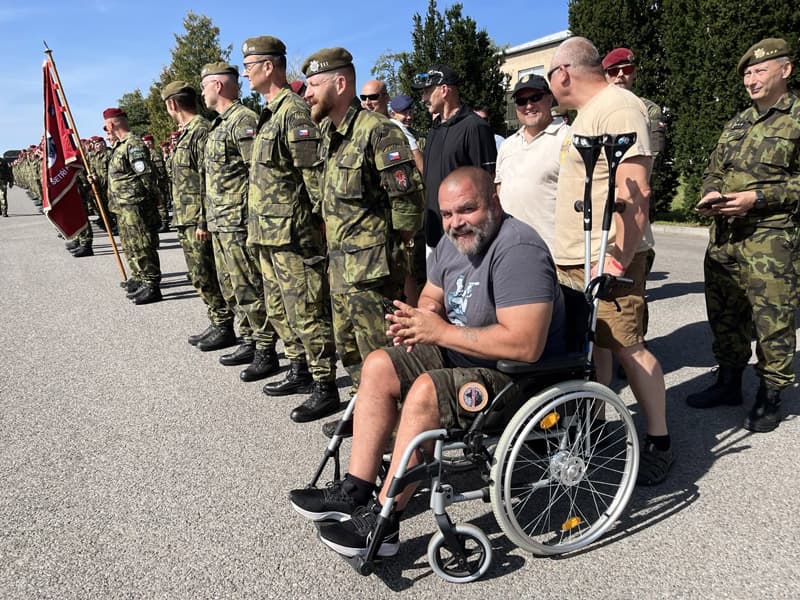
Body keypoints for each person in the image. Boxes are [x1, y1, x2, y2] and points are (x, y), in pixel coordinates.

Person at [290, 166, 566, 557]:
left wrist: (438, 332)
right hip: (464, 354)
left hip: (516, 376)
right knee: (379, 365)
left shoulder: (518, 251)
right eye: (448, 214)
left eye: (466, 210)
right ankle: (355, 489)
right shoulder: (453, 244)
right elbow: (430, 298)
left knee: (425, 392)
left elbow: (525, 345)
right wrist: (421, 319)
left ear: (494, 201)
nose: (456, 223)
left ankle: (382, 525)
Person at [548, 37, 672, 485]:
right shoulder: (587, 114)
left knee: (626, 343)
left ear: (563, 72)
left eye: (549, 75)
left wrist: (616, 262)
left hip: (609, 256)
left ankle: (658, 440)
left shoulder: (618, 107)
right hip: (577, 255)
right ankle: (598, 421)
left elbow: (635, 193)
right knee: (596, 343)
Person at [686, 38, 799, 433]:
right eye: (746, 73)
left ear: (785, 70)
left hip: (771, 238)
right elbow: (714, 169)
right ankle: (729, 381)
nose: (750, 79)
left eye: (758, 70)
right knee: (724, 312)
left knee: (773, 319)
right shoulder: (737, 122)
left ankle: (771, 393)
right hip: (725, 236)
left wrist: (758, 197)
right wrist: (711, 193)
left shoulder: (798, 118)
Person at [301, 47, 423, 397]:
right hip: (340, 271)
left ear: (340, 84)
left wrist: (398, 260)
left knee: (384, 356)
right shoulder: (329, 136)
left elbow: (408, 203)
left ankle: (402, 438)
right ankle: (369, 419)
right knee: (351, 353)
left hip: (374, 276)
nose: (308, 93)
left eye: (314, 85)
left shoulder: (379, 131)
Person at [241, 35, 339, 422]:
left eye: (250, 65)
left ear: (269, 67)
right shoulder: (269, 113)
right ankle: (299, 369)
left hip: (294, 235)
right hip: (267, 232)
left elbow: (313, 176)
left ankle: (324, 384)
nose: (246, 72)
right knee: (281, 308)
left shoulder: (293, 112)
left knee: (307, 310)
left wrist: (321, 227)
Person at [200, 61, 279, 382]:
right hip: (221, 222)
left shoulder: (243, 120)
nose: (202, 92)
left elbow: (257, 172)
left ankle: (265, 349)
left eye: (204, 86)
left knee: (249, 287)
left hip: (239, 222)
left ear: (217, 85)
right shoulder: (220, 124)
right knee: (232, 287)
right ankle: (248, 339)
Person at [161, 80, 237, 351]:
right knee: (199, 274)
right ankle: (218, 320)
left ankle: (225, 324)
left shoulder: (200, 131)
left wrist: (204, 219)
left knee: (209, 274)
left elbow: (209, 178)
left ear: (172, 104)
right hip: (187, 216)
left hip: (199, 219)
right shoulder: (186, 132)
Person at [412, 64, 497, 248]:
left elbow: (487, 184)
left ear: (444, 90)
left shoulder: (475, 127)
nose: (423, 98)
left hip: (464, 237)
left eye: (427, 91)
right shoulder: (434, 130)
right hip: (435, 237)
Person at [494, 74, 570, 253]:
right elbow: (500, 189)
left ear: (550, 98)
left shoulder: (569, 139)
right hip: (510, 250)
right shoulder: (507, 144)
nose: (528, 106)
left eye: (535, 98)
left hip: (553, 253)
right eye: (521, 101)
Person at [101, 107, 163, 305]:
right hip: (123, 206)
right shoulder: (119, 146)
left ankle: (152, 284)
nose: (106, 130)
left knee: (143, 244)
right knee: (130, 244)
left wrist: (155, 199)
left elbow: (145, 175)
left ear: (111, 124)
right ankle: (139, 276)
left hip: (136, 205)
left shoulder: (133, 144)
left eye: (106, 126)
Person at [388, 94, 424, 174]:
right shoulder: (389, 134)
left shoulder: (417, 135)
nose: (409, 117)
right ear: (393, 114)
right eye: (404, 113)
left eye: (411, 112)